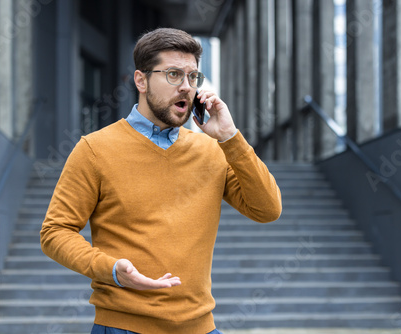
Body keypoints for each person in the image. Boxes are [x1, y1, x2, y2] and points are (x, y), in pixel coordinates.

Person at [40, 28, 282, 334]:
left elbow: (268, 209)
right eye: (173, 75)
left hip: (200, 327)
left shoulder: (213, 151)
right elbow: (55, 231)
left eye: (193, 77)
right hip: (123, 326)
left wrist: (231, 138)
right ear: (141, 81)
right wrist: (111, 270)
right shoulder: (94, 149)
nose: (186, 87)